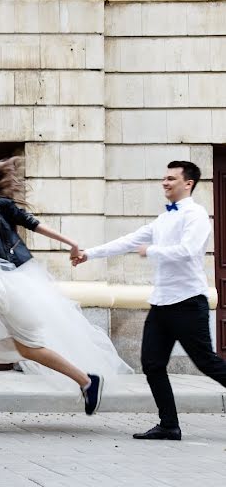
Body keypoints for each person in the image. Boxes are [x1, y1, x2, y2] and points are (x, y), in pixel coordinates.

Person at [0, 157, 131, 427]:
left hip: (3, 280)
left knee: (28, 347)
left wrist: (71, 243)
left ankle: (86, 380)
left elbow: (31, 223)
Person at [73, 160, 226, 441]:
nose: (165, 183)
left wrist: (152, 251)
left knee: (207, 363)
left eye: (171, 178)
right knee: (152, 364)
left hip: (188, 303)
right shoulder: (164, 218)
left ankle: (169, 424)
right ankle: (169, 425)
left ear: (188, 183)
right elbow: (128, 241)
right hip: (162, 304)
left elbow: (189, 251)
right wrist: (88, 254)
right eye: (164, 178)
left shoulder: (196, 215)